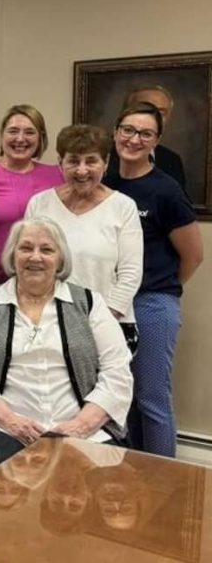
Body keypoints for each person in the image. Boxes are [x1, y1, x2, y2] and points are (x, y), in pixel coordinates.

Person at [0, 217, 134, 475]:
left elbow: (117, 369)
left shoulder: (89, 303)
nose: (35, 257)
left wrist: (80, 426)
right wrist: (11, 422)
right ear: (12, 255)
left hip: (84, 425)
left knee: (91, 477)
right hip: (1, 425)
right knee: (13, 475)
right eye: (25, 248)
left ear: (60, 259)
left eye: (46, 250)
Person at [106, 102, 204, 457]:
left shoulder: (166, 190)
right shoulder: (107, 183)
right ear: (116, 133)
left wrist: (161, 289)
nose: (134, 139)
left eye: (145, 133)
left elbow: (193, 255)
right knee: (121, 397)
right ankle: (130, 478)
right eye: (128, 130)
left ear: (156, 141)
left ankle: (163, 485)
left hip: (152, 303)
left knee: (151, 398)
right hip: (111, 303)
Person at [25, 124, 143, 351]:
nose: (81, 170)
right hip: (49, 325)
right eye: (73, 161)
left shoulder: (124, 207)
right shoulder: (39, 204)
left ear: (106, 163)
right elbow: (28, 266)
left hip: (110, 325)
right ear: (60, 162)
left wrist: (99, 323)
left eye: (91, 161)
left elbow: (130, 273)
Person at [0, 105, 63, 283]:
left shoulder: (59, 175)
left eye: (29, 132)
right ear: (2, 135)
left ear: (41, 138)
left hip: (45, 280)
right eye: (13, 131)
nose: (20, 139)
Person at [106, 85, 186, 188]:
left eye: (161, 113)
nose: (152, 116)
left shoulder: (172, 161)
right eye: (144, 110)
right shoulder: (98, 155)